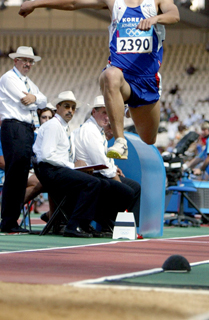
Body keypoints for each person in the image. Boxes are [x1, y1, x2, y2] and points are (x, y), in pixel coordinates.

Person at [19, 0, 180, 160]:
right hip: (121, 75)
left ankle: (130, 107)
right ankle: (120, 141)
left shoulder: (156, 1)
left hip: (147, 80)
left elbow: (174, 15)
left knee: (148, 139)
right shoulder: (114, 2)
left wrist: (156, 19)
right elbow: (74, 3)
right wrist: (35, 3)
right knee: (109, 75)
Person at [33, 91, 135, 237]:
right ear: (58, 107)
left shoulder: (64, 127)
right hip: (51, 171)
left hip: (57, 169)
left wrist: (77, 165)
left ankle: (86, 224)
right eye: (67, 106)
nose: (70, 110)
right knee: (92, 183)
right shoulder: (53, 126)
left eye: (73, 108)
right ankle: (74, 226)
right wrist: (72, 166)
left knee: (100, 184)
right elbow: (47, 155)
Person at [74, 95, 141, 226]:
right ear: (94, 111)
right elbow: (101, 163)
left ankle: (128, 225)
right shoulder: (90, 131)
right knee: (128, 190)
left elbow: (103, 159)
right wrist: (116, 176)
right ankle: (109, 221)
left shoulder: (97, 130)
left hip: (98, 173)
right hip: (92, 175)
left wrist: (113, 167)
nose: (107, 117)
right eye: (104, 112)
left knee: (134, 187)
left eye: (109, 113)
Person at [0, 46, 47, 233]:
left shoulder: (29, 83)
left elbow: (41, 101)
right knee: (15, 174)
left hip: (26, 128)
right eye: (24, 60)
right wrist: (35, 99)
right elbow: (24, 101)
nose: (28, 64)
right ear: (15, 61)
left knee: (19, 175)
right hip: (14, 126)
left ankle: (11, 220)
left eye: (30, 61)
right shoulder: (8, 78)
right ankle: (8, 221)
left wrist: (34, 98)